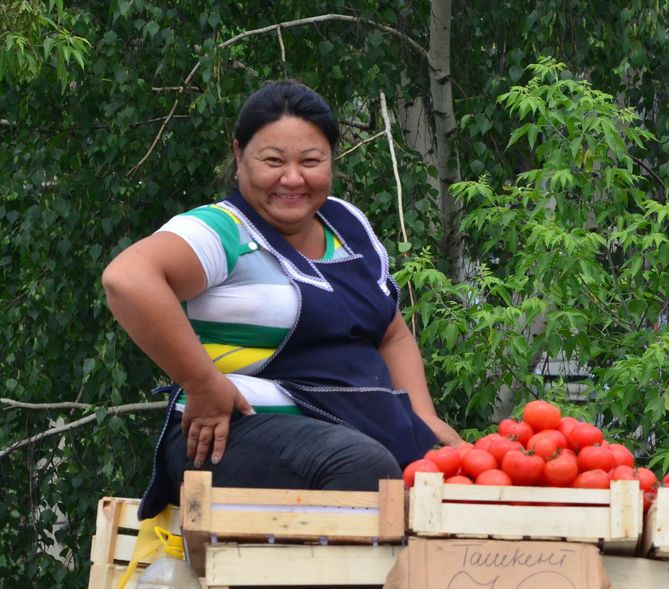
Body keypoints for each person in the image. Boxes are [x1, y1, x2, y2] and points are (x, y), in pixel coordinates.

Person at [102, 79, 462, 520]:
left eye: (311, 161)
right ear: (239, 156)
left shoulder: (347, 224)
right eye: (273, 161)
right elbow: (127, 279)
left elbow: (392, 334)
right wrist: (203, 384)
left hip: (363, 431)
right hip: (230, 439)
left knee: (458, 481)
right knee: (361, 466)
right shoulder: (222, 230)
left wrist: (423, 419)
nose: (293, 178)